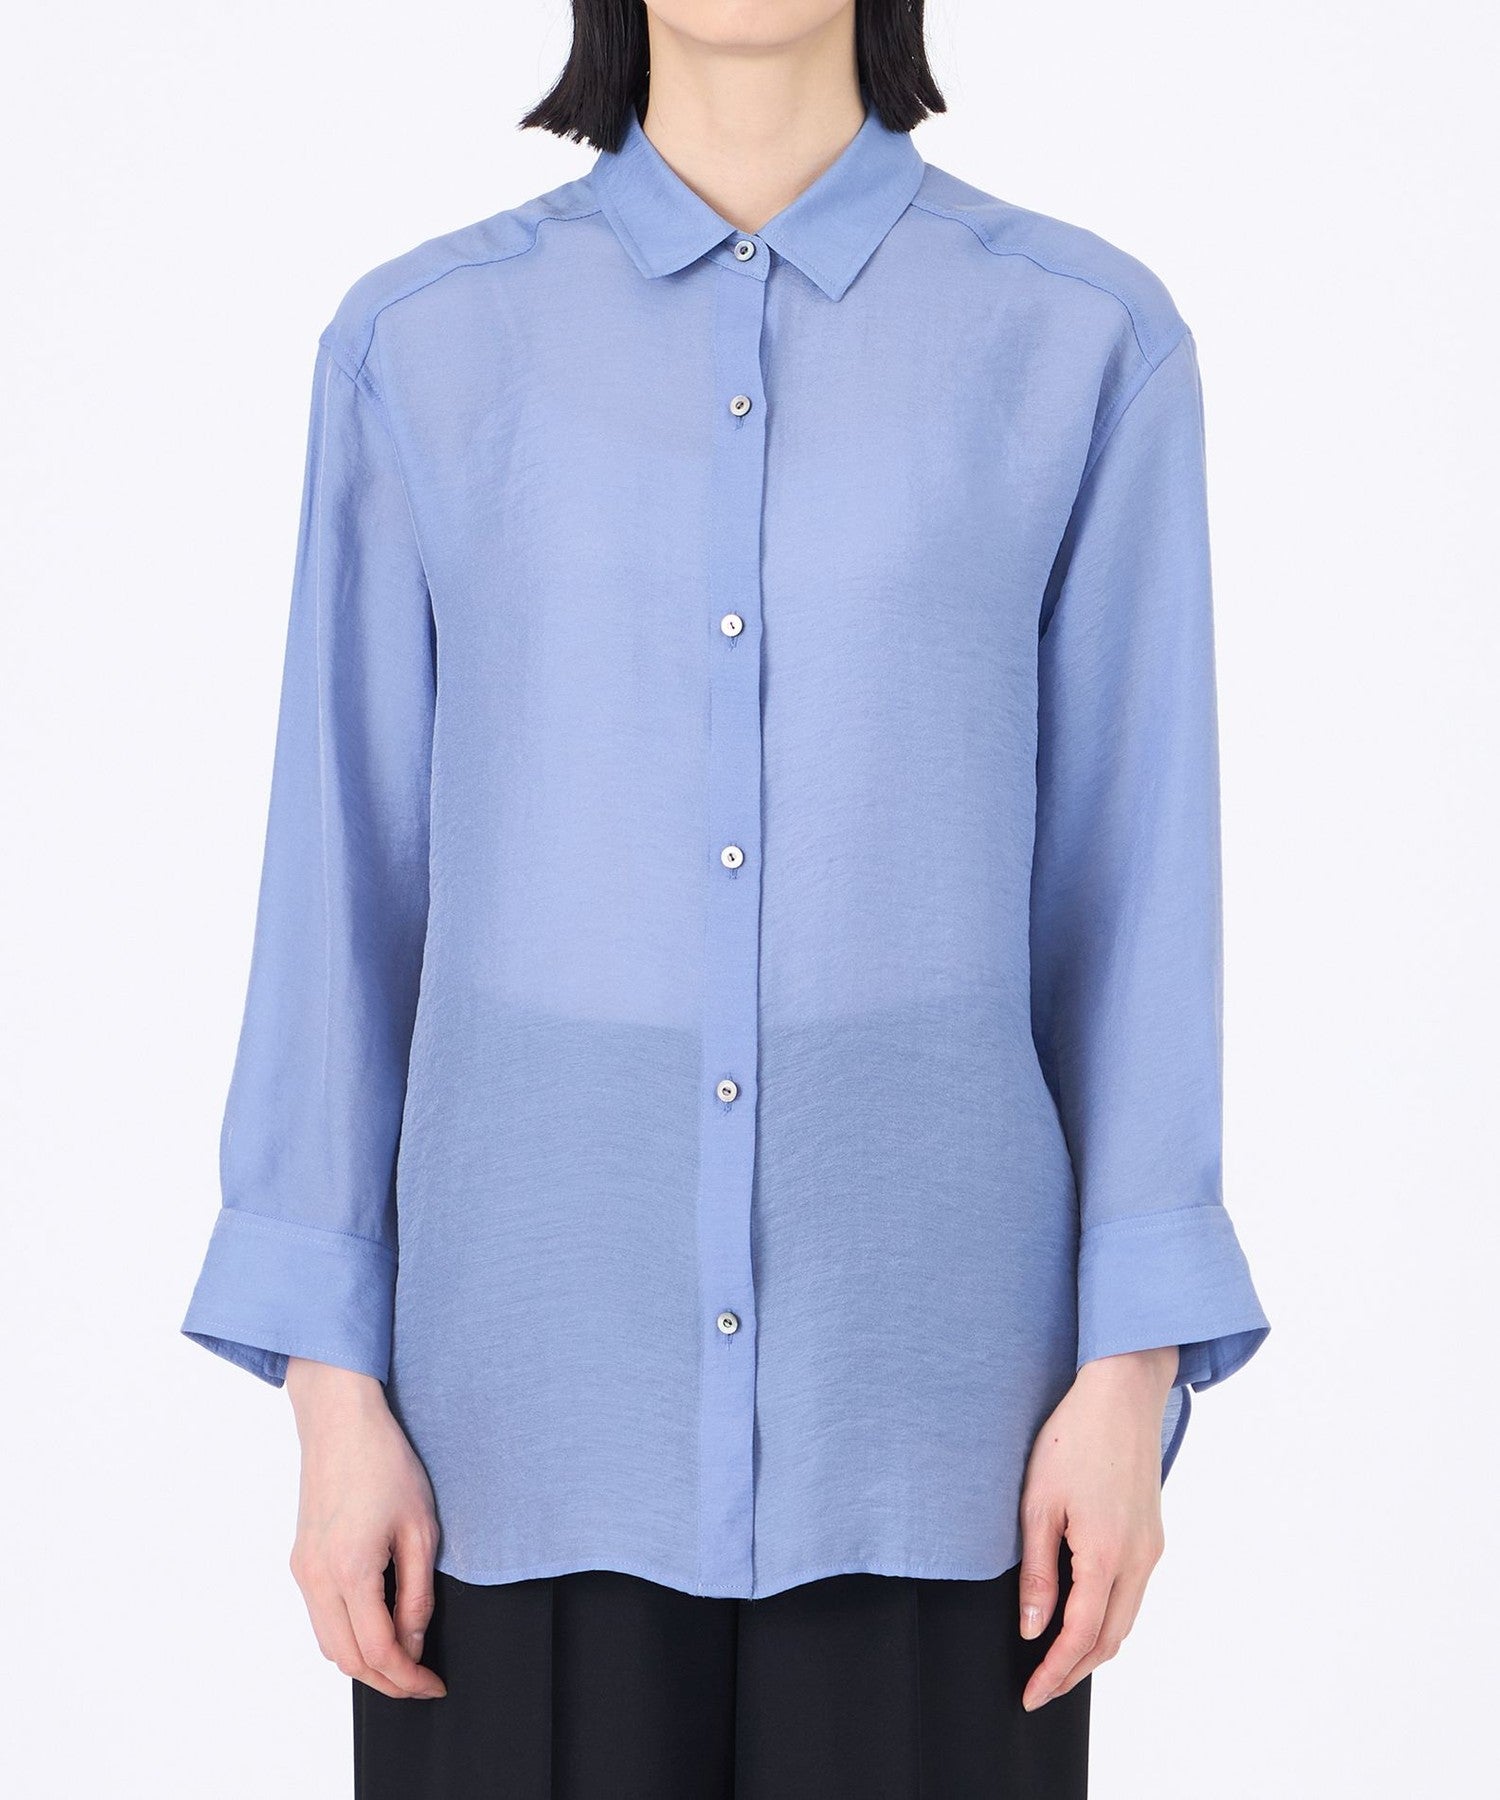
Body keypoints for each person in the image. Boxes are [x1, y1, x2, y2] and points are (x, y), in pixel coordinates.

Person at [180, 2, 1272, 1794]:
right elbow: (343, 884)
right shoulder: (419, 345)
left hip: (944, 1435)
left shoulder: (1085, 339)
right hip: (507, 1434)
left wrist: (1130, 1372)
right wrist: (331, 1388)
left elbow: (1134, 885)